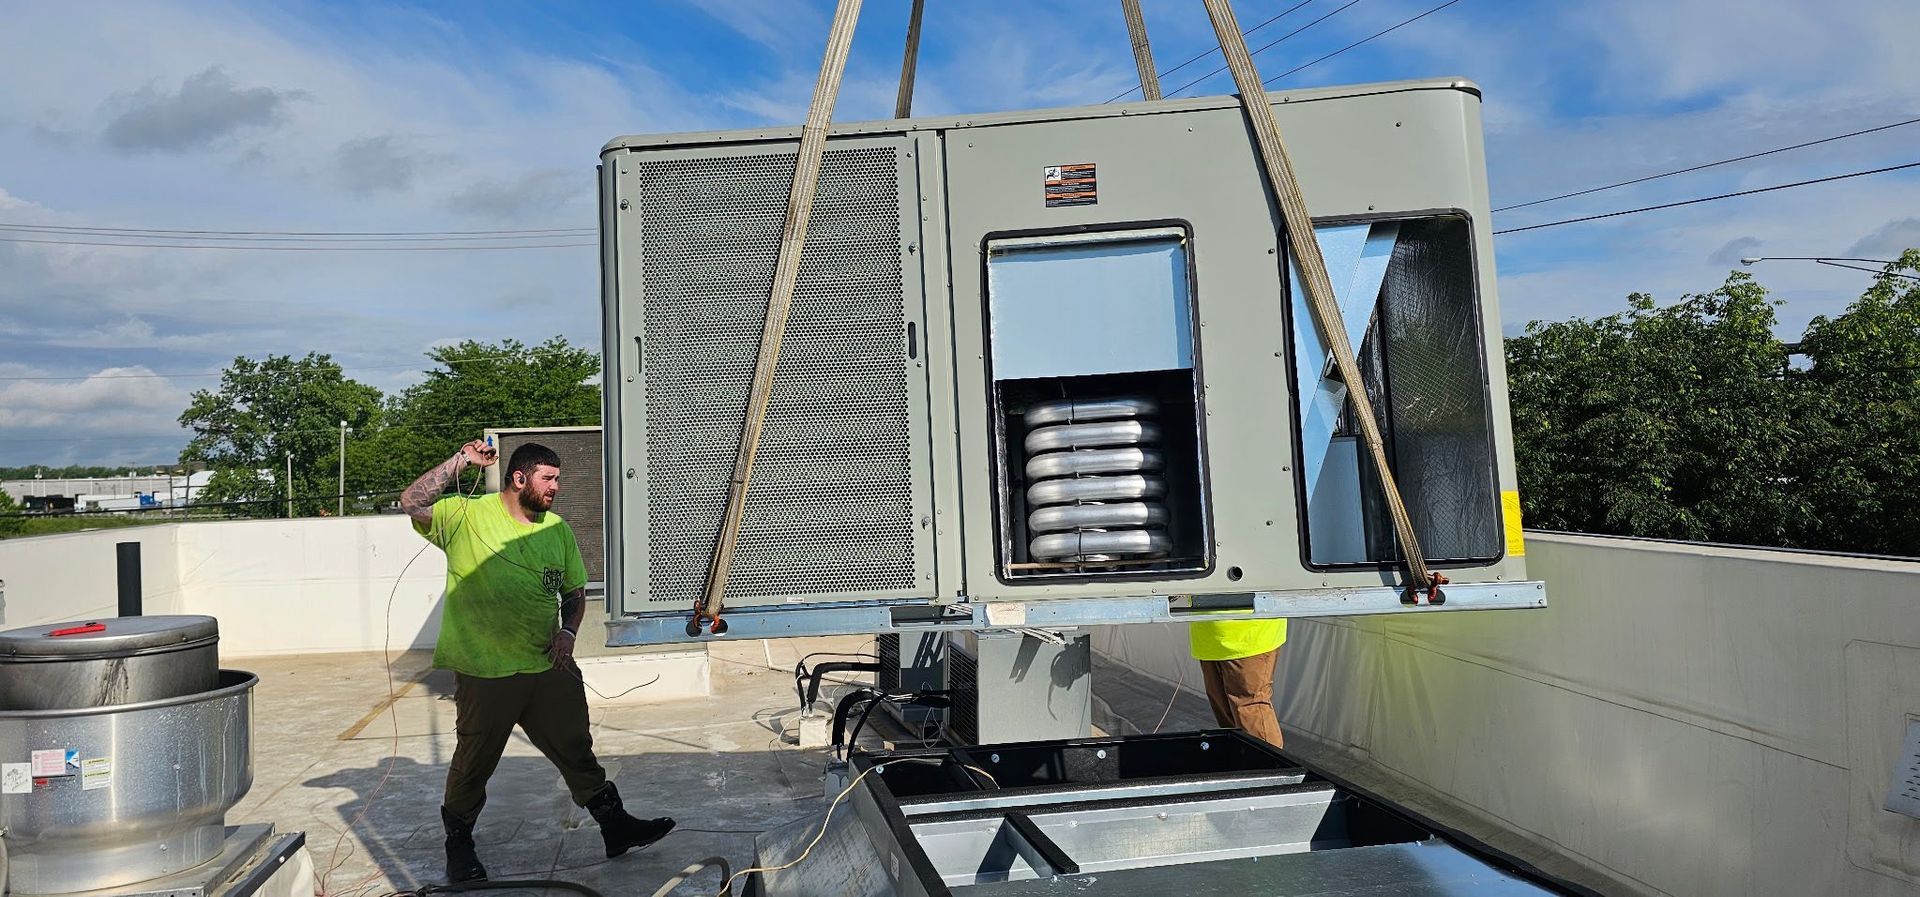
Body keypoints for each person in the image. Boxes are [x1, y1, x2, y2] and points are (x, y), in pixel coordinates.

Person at [401, 439, 673, 883]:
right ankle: (459, 845)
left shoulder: (557, 530)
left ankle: (615, 826)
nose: (556, 487)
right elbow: (412, 502)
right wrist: (463, 460)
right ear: (519, 478)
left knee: (575, 747)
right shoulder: (467, 516)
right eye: (548, 478)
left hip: (548, 666)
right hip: (486, 670)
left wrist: (569, 633)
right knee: (475, 761)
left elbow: (574, 591)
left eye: (557, 479)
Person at [1187, 617, 1287, 748]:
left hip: (1249, 636)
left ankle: (1268, 761)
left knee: (1251, 713)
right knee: (1227, 718)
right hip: (1209, 637)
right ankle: (1241, 757)